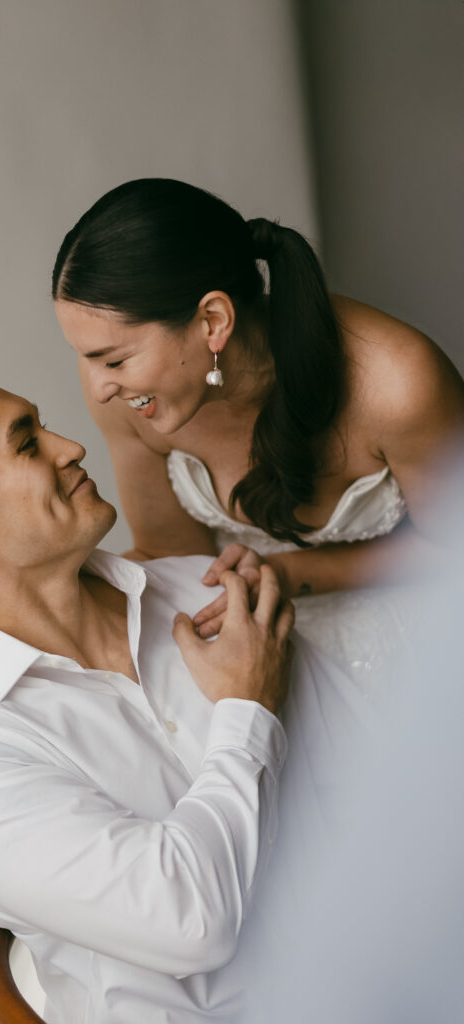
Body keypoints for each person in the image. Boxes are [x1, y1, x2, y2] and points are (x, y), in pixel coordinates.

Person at [0, 359, 366, 1024]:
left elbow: (376, 775)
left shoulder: (210, 590)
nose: (71, 447)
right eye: (28, 443)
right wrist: (246, 709)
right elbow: (190, 923)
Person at [52, 177, 464, 677]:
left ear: (213, 321)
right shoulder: (131, 399)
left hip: (419, 665)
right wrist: (26, 622)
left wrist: (288, 573)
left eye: (113, 360)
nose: (98, 389)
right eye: (85, 358)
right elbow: (171, 557)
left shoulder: (399, 384)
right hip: (257, 667)